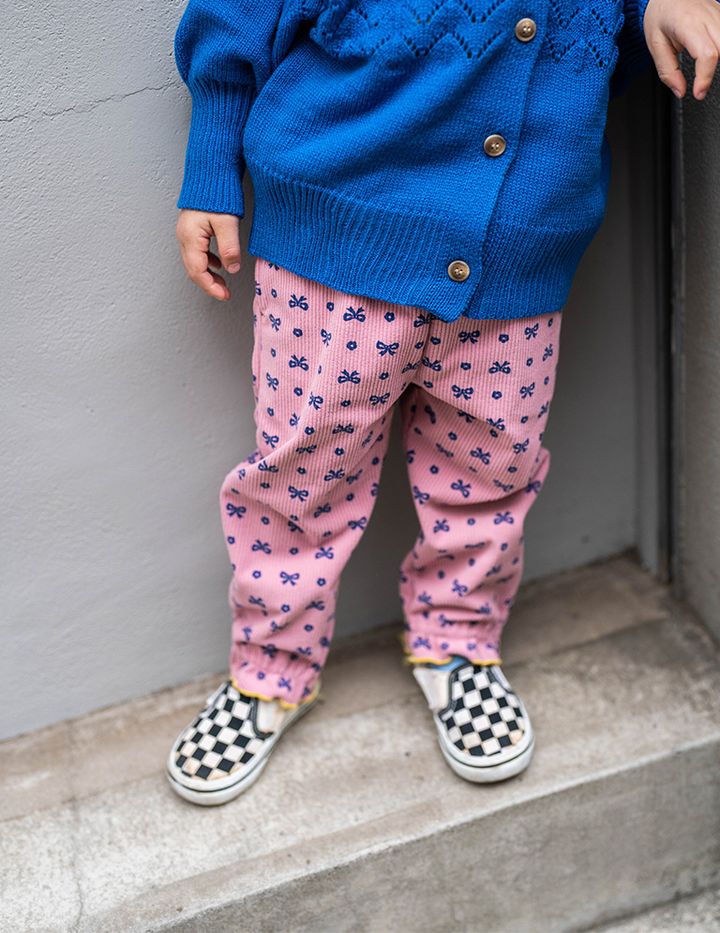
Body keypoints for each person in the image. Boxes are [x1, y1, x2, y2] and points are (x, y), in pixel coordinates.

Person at [165, 0, 719, 806]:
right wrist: (211, 168)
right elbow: (236, 15)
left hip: (519, 257)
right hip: (334, 247)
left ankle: (457, 640)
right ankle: (269, 666)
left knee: (491, 476)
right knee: (299, 480)